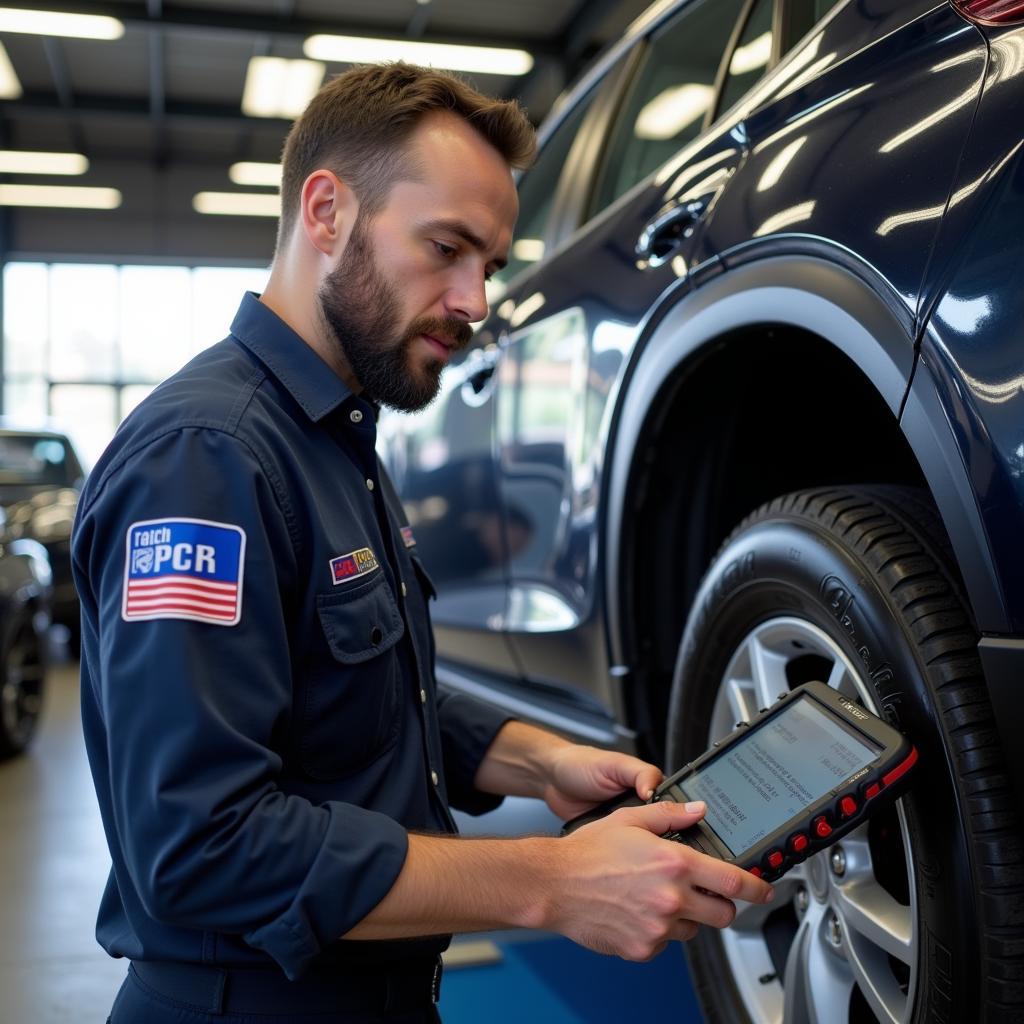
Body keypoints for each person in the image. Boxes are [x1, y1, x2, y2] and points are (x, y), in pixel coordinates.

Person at [72, 63, 774, 1024]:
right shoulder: (208, 460)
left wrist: (536, 760)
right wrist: (549, 882)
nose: (477, 299)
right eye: (446, 248)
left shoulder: (334, 436)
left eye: (489, 263)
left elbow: (348, 693)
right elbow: (200, 846)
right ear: (326, 212)